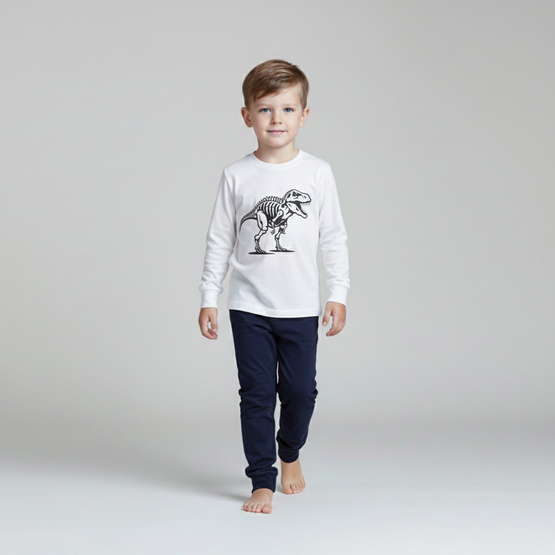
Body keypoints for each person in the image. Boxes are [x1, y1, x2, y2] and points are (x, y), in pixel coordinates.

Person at [198, 59, 350, 514]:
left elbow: (334, 237)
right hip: (248, 307)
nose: (276, 119)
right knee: (257, 396)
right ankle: (261, 479)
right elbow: (219, 240)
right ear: (247, 116)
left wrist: (338, 293)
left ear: (304, 115)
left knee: (301, 393)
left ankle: (290, 452)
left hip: (300, 307)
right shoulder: (236, 175)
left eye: (287, 109)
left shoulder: (318, 173)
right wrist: (208, 297)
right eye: (265, 109)